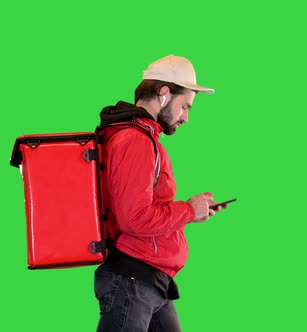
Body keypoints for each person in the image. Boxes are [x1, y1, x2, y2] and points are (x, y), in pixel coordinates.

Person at [93, 54, 227, 332]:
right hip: (132, 280)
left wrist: (192, 213)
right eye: (185, 106)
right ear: (164, 93)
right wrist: (188, 210)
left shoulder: (144, 137)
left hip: (151, 281)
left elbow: (144, 209)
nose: (186, 117)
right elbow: (135, 219)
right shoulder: (134, 140)